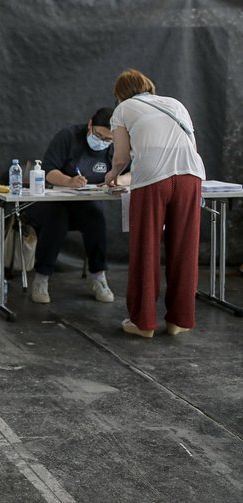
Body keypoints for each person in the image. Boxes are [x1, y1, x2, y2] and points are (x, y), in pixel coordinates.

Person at [105, 69, 206, 338]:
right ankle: (179, 321)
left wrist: (113, 176)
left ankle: (143, 322)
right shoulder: (175, 104)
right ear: (148, 86)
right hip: (190, 177)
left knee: (146, 247)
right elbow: (191, 146)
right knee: (185, 249)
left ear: (120, 94)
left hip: (151, 180)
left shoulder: (124, 109)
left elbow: (121, 157)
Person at [26, 108, 130, 304]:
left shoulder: (117, 144)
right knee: (56, 222)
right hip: (56, 201)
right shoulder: (69, 137)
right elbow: (48, 170)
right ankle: (42, 278)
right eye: (99, 135)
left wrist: (121, 180)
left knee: (96, 220)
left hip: (87, 202)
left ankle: (98, 277)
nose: (103, 141)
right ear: (90, 124)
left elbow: (133, 172)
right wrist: (68, 181)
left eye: (108, 139)